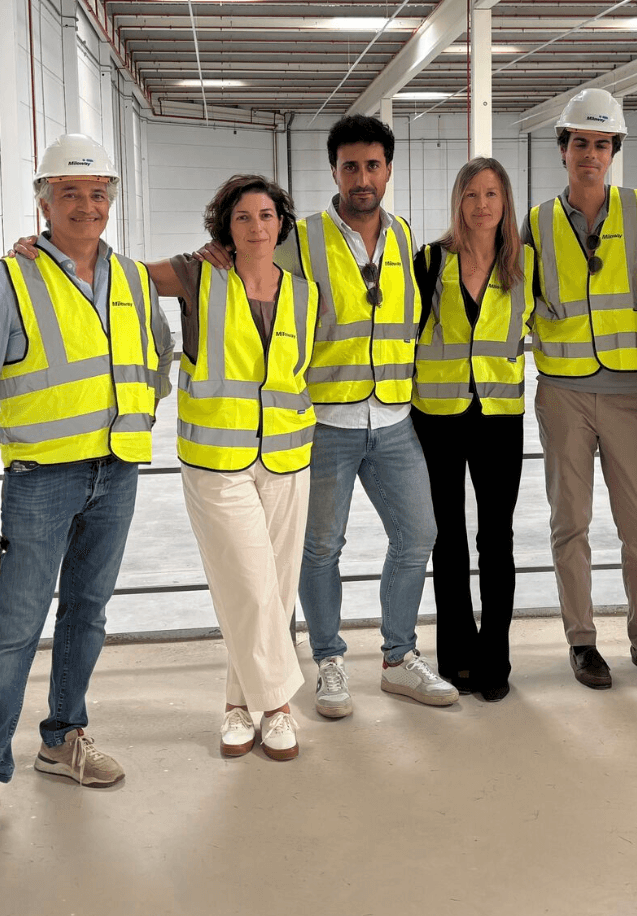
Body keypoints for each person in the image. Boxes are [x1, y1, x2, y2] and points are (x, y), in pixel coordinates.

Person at [0, 134, 172, 848]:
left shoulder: (133, 278)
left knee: (87, 613)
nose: (87, 204)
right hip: (41, 476)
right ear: (44, 201)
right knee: (14, 626)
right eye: (70, 192)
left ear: (110, 200)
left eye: (98, 192)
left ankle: (63, 736)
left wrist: (138, 414)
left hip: (117, 468)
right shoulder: (6, 280)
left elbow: (157, 358)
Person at [253, 115, 458, 714]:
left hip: (394, 419)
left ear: (388, 170)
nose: (362, 177)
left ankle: (398, 658)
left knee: (418, 534)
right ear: (334, 171)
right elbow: (249, 269)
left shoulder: (403, 238)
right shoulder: (302, 237)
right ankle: (330, 661)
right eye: (350, 167)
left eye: (372, 166)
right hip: (325, 423)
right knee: (320, 547)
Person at [524, 89, 637, 693]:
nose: (590, 154)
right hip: (562, 393)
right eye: (580, 143)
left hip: (630, 394)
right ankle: (583, 642)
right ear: (563, 150)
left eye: (602, 144)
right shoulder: (537, 221)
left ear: (615, 150)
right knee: (571, 525)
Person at [155, 175, 318, 760]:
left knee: (271, 591)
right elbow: (116, 274)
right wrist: (44, 242)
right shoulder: (199, 276)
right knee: (248, 583)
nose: (257, 227)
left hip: (288, 457)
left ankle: (235, 703)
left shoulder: (304, 292)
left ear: (282, 224)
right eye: (244, 217)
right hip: (215, 459)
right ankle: (277, 706)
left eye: (267, 215)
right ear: (225, 225)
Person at [412, 158, 534, 702]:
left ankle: (495, 658)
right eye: (471, 195)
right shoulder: (429, 261)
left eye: (492, 194)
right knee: (448, 540)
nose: (482, 205)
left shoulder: (526, 265)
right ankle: (455, 655)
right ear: (457, 203)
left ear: (505, 202)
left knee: (497, 541)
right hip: (435, 415)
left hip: (500, 417)